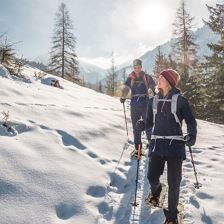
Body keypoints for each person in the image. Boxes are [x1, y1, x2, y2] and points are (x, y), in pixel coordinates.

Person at [142, 69, 197, 224]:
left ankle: (171, 217)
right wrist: (144, 128)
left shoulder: (180, 100)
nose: (158, 79)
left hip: (175, 146)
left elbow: (191, 120)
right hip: (158, 145)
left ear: (169, 81)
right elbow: (148, 123)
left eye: (161, 77)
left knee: (174, 183)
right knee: (152, 177)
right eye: (158, 77)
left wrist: (192, 135)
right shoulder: (153, 100)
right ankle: (157, 191)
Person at [120, 59, 156, 157]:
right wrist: (123, 96)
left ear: (141, 67)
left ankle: (150, 143)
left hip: (145, 104)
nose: (137, 69)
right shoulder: (131, 77)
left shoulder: (146, 77)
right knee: (136, 127)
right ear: (133, 68)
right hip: (135, 105)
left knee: (148, 125)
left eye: (138, 67)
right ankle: (137, 149)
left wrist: (151, 89)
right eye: (135, 68)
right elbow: (126, 87)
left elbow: (153, 84)